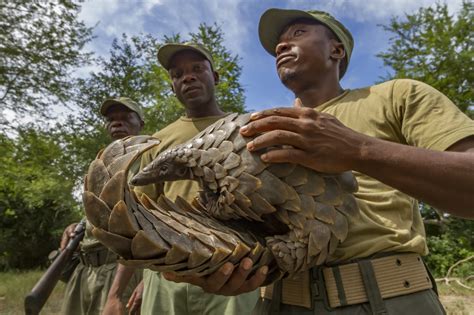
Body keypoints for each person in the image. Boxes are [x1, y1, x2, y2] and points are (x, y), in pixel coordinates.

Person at [163, 8, 474, 315]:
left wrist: (358, 150)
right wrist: (236, 266)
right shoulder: (257, 129)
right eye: (278, 44)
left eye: (298, 33)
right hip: (276, 302)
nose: (281, 46)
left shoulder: (396, 96)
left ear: (336, 49)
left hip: (385, 298)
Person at [106, 42, 260, 314]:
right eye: (177, 74)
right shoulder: (156, 142)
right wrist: (119, 291)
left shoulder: (247, 129)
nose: (187, 77)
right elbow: (137, 217)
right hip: (168, 275)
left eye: (197, 69)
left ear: (215, 77)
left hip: (232, 271)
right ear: (172, 87)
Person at [60, 97, 145, 315]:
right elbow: (98, 214)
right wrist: (76, 226)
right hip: (85, 272)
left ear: (140, 123)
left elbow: (140, 231)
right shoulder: (100, 164)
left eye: (126, 117)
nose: (117, 123)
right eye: (111, 119)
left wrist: (116, 293)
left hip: (120, 273)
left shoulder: (147, 161)